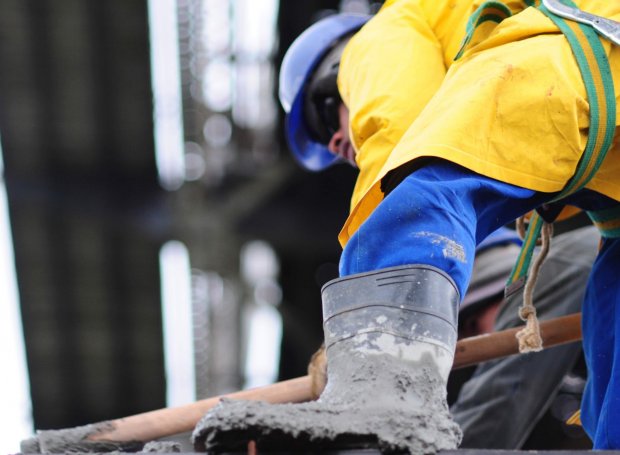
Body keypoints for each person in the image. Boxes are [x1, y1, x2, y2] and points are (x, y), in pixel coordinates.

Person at [193, 1, 620, 452]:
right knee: (612, 297)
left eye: (324, 118)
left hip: (584, 50)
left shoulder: (382, 35)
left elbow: (398, 151)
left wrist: (355, 350)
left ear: (338, 67)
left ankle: (380, 401)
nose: (337, 144)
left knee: (412, 200)